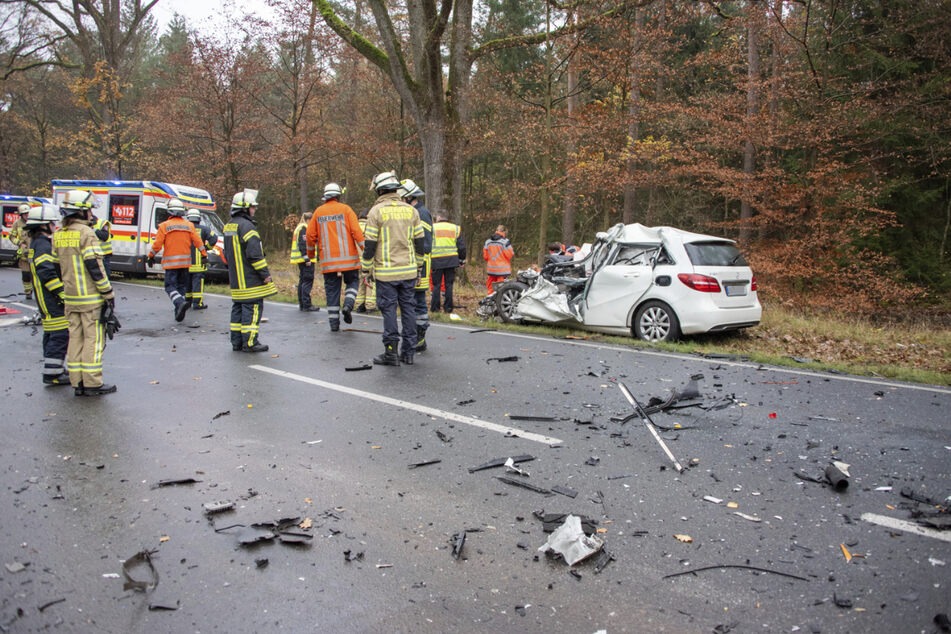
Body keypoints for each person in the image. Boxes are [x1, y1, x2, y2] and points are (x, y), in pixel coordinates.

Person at [52, 190, 116, 396]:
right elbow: (95, 267)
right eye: (88, 210)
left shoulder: (59, 234)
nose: (91, 214)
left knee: (75, 339)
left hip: (70, 298)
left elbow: (56, 268)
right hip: (90, 298)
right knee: (93, 340)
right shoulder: (86, 234)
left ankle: (77, 381)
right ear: (80, 212)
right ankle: (92, 383)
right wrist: (108, 293)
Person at [361, 171, 424, 366]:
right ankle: (409, 353)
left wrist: (365, 270)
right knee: (408, 310)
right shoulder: (411, 211)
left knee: (389, 311)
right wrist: (419, 267)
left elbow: (370, 245)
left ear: (379, 190)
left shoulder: (376, 212)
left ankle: (391, 353)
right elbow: (420, 243)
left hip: (386, 274)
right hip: (409, 271)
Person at [306, 183, 364, 331]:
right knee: (353, 282)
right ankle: (348, 305)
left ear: (325, 196)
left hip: (328, 262)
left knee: (332, 290)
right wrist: (366, 250)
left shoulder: (318, 212)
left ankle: (333, 324)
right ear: (338, 195)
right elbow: (357, 233)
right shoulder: (346, 209)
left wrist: (311, 255)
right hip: (349, 260)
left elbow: (310, 236)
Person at [223, 189, 276, 352]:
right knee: (252, 309)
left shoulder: (229, 226)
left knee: (238, 310)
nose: (254, 209)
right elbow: (255, 255)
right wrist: (265, 275)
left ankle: (237, 342)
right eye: (253, 207)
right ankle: (250, 342)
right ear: (245, 208)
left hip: (236, 280)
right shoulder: (247, 227)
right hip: (250, 279)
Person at [25, 204, 69, 385]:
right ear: (43, 225)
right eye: (51, 222)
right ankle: (53, 373)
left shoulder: (37, 243)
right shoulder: (42, 244)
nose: (54, 225)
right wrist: (61, 293)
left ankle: (54, 368)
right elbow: (46, 272)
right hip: (49, 297)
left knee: (52, 332)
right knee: (60, 334)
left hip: (43, 296)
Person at [147, 198, 206, 322]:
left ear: (170, 211)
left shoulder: (164, 226)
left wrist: (150, 256)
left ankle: (179, 303)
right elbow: (198, 242)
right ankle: (178, 311)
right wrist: (204, 255)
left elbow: (157, 244)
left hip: (171, 264)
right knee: (181, 287)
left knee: (170, 286)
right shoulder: (189, 225)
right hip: (185, 264)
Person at [397, 179, 432, 351]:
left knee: (418, 303)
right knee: (412, 302)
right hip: (414, 265)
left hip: (421, 265)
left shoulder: (421, 213)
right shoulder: (413, 212)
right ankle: (415, 336)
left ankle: (420, 336)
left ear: (410, 197)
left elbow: (425, 245)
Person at [430, 213, 465, 313]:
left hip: (436, 259)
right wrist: (462, 259)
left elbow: (427, 242)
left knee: (436, 285)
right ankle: (448, 308)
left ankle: (435, 309)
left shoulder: (432, 228)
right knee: (449, 285)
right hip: (451, 260)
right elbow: (461, 246)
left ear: (439, 217)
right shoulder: (455, 228)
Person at [186, 208, 216, 310]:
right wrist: (207, 248)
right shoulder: (204, 229)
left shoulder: (184, 229)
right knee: (197, 284)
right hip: (199, 263)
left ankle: (187, 302)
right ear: (199, 219)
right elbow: (214, 238)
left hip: (185, 263)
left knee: (187, 284)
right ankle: (197, 304)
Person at [291, 211, 319, 312]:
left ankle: (302, 303)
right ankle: (306, 304)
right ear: (309, 220)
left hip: (301, 259)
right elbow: (303, 243)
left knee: (302, 280)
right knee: (307, 280)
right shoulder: (304, 228)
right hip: (305, 259)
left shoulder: (299, 228)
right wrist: (306, 257)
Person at [354, 208, 377, 313]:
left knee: (360, 282)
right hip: (367, 259)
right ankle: (370, 305)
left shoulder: (354, 227)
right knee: (370, 281)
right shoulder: (369, 227)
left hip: (355, 260)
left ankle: (359, 304)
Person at [10, 204, 33, 300]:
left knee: (37, 274)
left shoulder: (34, 222)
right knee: (26, 274)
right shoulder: (17, 224)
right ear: (21, 215)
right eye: (24, 214)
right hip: (24, 254)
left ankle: (38, 291)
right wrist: (19, 243)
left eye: (27, 213)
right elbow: (12, 237)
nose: (26, 215)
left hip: (35, 252)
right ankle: (28, 292)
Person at [483, 224, 514, 293]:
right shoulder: (505, 242)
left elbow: (485, 257)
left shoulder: (487, 242)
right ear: (504, 232)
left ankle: (489, 301)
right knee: (501, 289)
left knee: (490, 288)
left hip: (491, 270)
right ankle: (498, 302)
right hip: (502, 271)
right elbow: (510, 254)